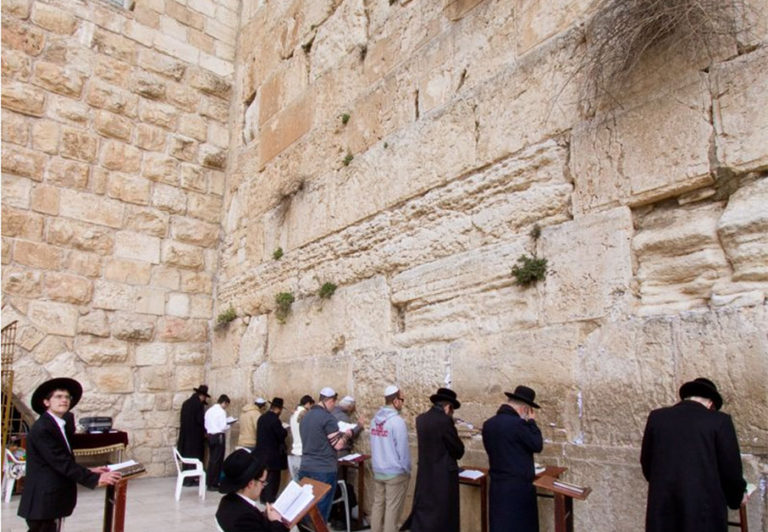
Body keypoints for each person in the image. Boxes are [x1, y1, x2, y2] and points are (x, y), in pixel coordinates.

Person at [641, 377, 747, 532]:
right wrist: (737, 497)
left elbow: (647, 463)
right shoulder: (720, 421)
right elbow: (730, 470)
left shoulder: (657, 417)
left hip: (662, 510)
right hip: (704, 513)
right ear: (710, 403)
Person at [18, 378, 122, 532]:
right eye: (58, 397)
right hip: (43, 500)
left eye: (67, 397)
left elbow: (64, 458)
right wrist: (94, 478)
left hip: (52, 497)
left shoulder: (59, 425)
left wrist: (90, 471)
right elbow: (60, 462)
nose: (64, 400)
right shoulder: (43, 428)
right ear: (46, 402)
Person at [482, 385, 544, 532]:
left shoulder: (488, 424)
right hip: (518, 490)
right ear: (524, 409)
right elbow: (537, 445)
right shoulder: (519, 425)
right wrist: (532, 422)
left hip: (497, 488)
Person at [406, 387, 464, 532]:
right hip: (443, 478)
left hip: (426, 474)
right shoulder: (445, 422)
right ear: (448, 407)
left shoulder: (421, 419)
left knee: (426, 514)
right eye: (452, 411)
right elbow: (458, 450)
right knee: (444, 517)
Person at [298, 387, 353, 523]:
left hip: (305, 467)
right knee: (319, 515)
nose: (334, 405)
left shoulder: (305, 416)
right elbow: (338, 445)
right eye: (334, 402)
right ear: (329, 400)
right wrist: (347, 435)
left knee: (305, 510)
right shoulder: (328, 418)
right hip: (323, 469)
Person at [369, 385, 411, 532]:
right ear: (395, 401)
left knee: (378, 505)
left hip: (378, 469)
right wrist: (406, 469)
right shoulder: (397, 422)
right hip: (394, 472)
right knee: (392, 511)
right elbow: (403, 451)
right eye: (401, 399)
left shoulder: (374, 420)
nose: (402, 403)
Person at [215, 449, 289, 532]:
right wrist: (277, 521)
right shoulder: (244, 518)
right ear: (251, 484)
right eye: (263, 482)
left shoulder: (227, 500)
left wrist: (265, 515)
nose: (263, 487)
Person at [255, 397, 288, 503]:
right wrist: (284, 430)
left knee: (263, 477)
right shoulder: (275, 420)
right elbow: (281, 435)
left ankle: (263, 498)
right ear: (278, 409)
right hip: (272, 455)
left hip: (261, 454)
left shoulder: (262, 418)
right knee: (272, 479)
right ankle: (270, 499)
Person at [178, 384, 210, 486]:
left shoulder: (186, 403)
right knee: (195, 457)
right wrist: (205, 432)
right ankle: (191, 479)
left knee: (187, 456)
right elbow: (200, 421)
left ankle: (186, 479)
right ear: (202, 396)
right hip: (195, 437)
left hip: (185, 435)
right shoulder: (198, 405)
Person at [205, 394, 231, 490]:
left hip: (210, 436)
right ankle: (214, 483)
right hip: (218, 437)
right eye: (226, 405)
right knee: (218, 461)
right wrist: (229, 424)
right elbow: (223, 426)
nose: (226, 407)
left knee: (212, 460)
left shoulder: (209, 411)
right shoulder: (221, 412)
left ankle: (209, 481)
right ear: (224, 402)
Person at [288, 395, 315, 480]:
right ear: (307, 403)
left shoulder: (293, 414)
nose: (311, 408)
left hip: (295, 451)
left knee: (296, 480)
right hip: (304, 451)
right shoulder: (305, 414)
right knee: (305, 481)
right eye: (311, 406)